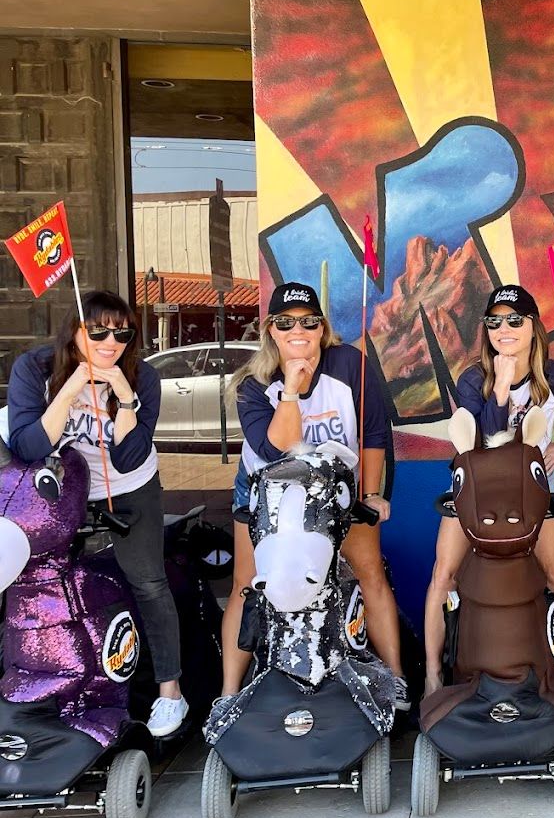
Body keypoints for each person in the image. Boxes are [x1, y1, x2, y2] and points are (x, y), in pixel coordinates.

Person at [7, 291, 189, 737]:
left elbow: (129, 457)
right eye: (98, 331)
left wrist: (125, 398)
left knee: (147, 581)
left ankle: (171, 693)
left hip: (128, 487)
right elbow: (28, 446)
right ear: (74, 331)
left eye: (122, 333)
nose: (111, 342)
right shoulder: (35, 368)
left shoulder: (141, 377)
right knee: (41, 583)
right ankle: (42, 680)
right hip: (60, 491)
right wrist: (70, 389)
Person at [221, 283, 408, 707]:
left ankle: (396, 678)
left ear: (322, 328)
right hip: (266, 492)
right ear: (271, 329)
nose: (298, 330)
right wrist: (290, 388)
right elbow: (274, 449)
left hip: (333, 489)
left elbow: (374, 431)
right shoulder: (254, 383)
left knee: (369, 571)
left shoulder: (348, 363)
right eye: (285, 323)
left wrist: (372, 493)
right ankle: (229, 693)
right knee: (246, 586)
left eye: (309, 321)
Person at [422, 285, 554, 695]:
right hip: (475, 499)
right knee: (443, 577)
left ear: (533, 326)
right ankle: (431, 675)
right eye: (495, 321)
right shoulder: (472, 379)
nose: (505, 328)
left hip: (535, 498)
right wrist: (499, 386)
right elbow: (487, 436)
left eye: (515, 320)